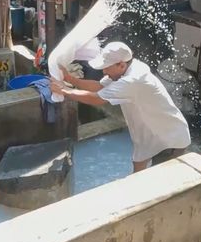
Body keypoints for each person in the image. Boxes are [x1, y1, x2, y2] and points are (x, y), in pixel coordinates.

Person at [50, 41, 191, 173]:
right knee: (137, 174)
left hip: (170, 139)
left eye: (106, 68)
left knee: (160, 187)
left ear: (121, 65)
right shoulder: (125, 70)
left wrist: (64, 91)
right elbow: (98, 86)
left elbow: (96, 99)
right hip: (150, 134)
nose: (104, 72)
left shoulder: (132, 80)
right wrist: (70, 79)